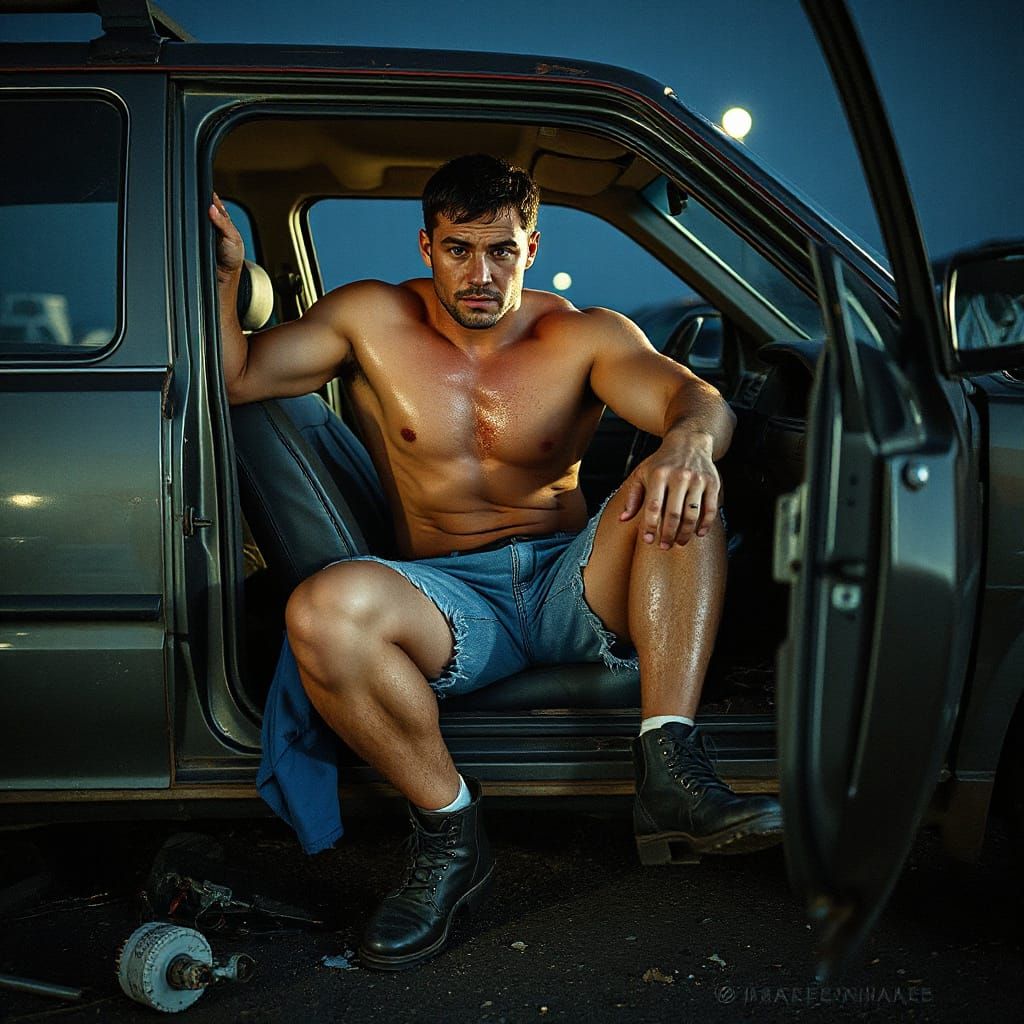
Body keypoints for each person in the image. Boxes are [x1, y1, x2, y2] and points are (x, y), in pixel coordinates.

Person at [210, 154, 782, 971]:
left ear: (532, 246)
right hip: (450, 598)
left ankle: (672, 766)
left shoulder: (582, 334)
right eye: (459, 249)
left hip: (572, 581)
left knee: (682, 488)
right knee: (319, 610)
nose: (481, 274)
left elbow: (698, 398)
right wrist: (230, 280)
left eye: (502, 251)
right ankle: (450, 834)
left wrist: (688, 444)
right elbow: (233, 377)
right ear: (426, 245)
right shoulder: (370, 319)